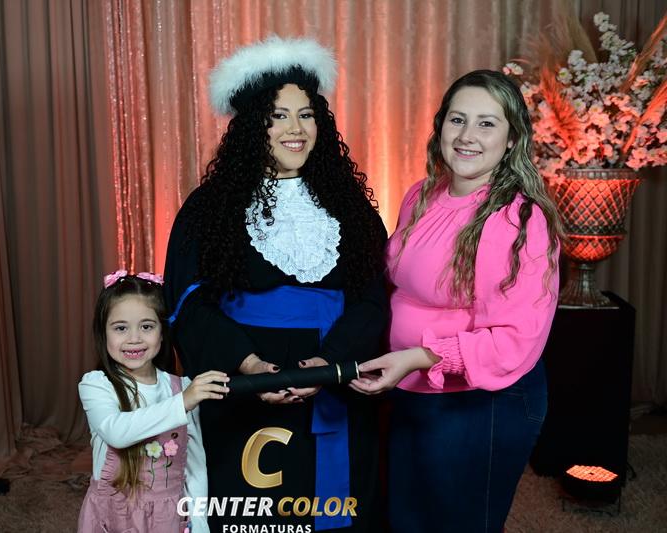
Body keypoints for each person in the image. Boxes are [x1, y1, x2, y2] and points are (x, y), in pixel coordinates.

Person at [164, 36, 388, 531]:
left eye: (306, 115)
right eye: (278, 116)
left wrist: (329, 364)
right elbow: (188, 304)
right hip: (244, 382)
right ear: (251, 126)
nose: (295, 129)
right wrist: (248, 367)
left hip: (331, 377)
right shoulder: (208, 208)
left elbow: (373, 300)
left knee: (335, 510)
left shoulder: (350, 206)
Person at [351, 69, 563, 532]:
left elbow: (514, 340)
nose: (467, 136)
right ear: (441, 126)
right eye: (457, 119)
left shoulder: (519, 220)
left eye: (487, 124)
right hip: (409, 388)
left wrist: (418, 357)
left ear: (512, 138)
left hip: (479, 401)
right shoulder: (422, 194)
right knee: (405, 521)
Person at [77, 271, 229, 533]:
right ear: (103, 333)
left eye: (146, 326)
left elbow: (194, 466)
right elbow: (116, 432)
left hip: (167, 518)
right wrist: (183, 403)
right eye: (121, 328)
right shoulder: (97, 385)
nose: (134, 338)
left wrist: (200, 522)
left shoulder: (181, 388)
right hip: (114, 517)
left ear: (162, 332)